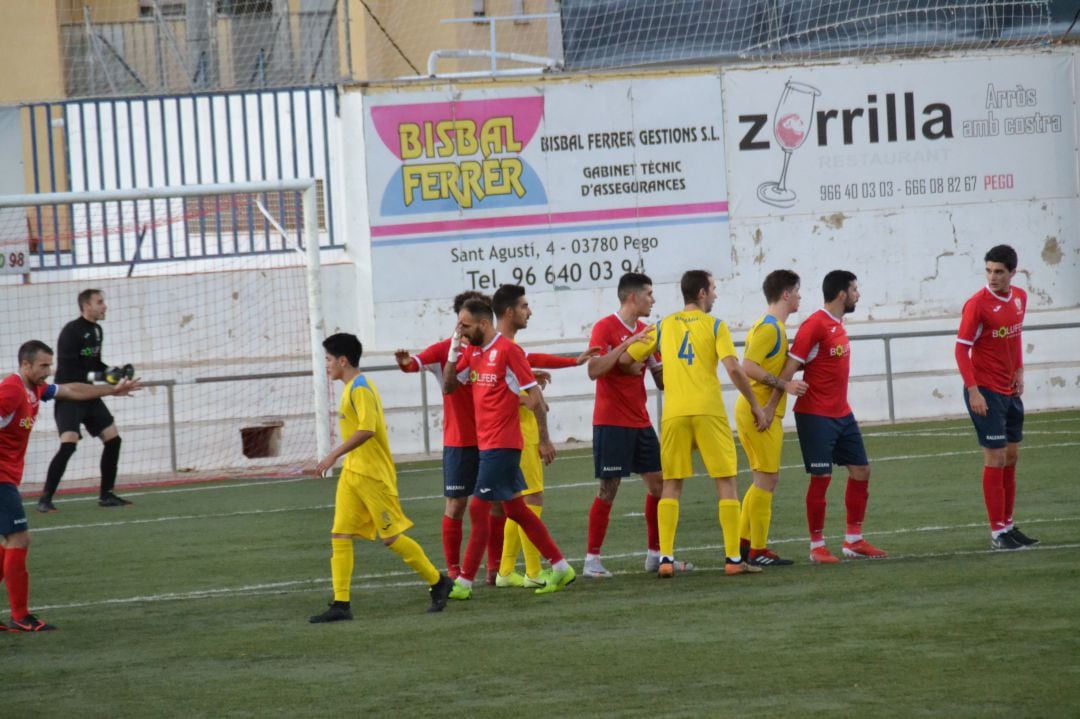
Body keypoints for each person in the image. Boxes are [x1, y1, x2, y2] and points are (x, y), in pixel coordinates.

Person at [624, 270, 769, 577]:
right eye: (713, 289)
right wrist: (756, 405)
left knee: (672, 486)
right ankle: (732, 559)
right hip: (708, 412)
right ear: (702, 293)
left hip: (675, 413)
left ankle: (665, 559)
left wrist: (636, 343)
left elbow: (627, 360)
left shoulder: (662, 326)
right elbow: (733, 368)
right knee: (726, 483)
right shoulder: (716, 326)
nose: (715, 294)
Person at [308, 333, 454, 623]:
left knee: (391, 538)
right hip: (354, 473)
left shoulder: (361, 387)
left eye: (327, 359)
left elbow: (367, 430)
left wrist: (332, 455)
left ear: (342, 360)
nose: (325, 365)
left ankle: (438, 582)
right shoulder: (350, 387)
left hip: (373, 475)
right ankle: (341, 604)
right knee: (340, 534)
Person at [1, 340, 141, 632]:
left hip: (8, 476)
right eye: (43, 366)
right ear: (25, 365)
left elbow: (73, 389)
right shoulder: (12, 390)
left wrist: (112, 389)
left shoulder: (35, 389)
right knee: (19, 539)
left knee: (8, 541)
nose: (48, 372)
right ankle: (20, 615)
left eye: (50, 365)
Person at [442, 298, 575, 598]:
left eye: (465, 325)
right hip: (487, 445)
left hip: (503, 445)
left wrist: (543, 438)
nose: (460, 331)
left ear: (484, 324)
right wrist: (453, 353)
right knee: (518, 510)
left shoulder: (508, 351)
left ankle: (463, 583)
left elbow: (535, 396)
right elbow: (449, 386)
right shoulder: (473, 352)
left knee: (478, 510)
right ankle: (561, 566)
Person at [487, 284, 597, 589]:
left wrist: (574, 361)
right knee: (530, 499)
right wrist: (543, 436)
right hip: (518, 434)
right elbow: (521, 377)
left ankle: (506, 570)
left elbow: (534, 357)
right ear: (509, 312)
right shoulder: (504, 348)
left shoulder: (500, 348)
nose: (529, 311)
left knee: (515, 502)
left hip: (508, 434)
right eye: (524, 306)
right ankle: (533, 573)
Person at [583, 272, 689, 578]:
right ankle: (592, 561)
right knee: (608, 488)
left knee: (659, 484)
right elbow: (594, 370)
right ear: (632, 297)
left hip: (640, 420)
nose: (653, 300)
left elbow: (661, 379)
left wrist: (681, 362)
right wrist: (626, 346)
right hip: (611, 421)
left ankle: (655, 555)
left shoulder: (649, 332)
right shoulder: (605, 328)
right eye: (649, 294)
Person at [779, 270, 888, 564]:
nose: (857, 295)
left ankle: (853, 540)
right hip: (815, 416)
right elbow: (789, 371)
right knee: (821, 478)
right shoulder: (814, 325)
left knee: (861, 470)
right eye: (854, 290)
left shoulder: (838, 325)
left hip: (842, 414)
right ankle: (817, 546)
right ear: (842, 294)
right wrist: (769, 407)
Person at [394, 290, 488, 579]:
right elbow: (413, 365)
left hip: (490, 438)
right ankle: (454, 568)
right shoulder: (443, 350)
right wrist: (404, 361)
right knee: (457, 504)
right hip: (459, 441)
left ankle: (495, 569)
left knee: (496, 505)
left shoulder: (492, 348)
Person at [955, 245, 1038, 550]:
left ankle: (1009, 524)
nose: (993, 277)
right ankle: (997, 533)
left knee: (1012, 457)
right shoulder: (977, 304)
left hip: (1009, 388)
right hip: (985, 389)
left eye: (999, 271)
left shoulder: (1019, 298)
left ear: (1012, 272)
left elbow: (1015, 337)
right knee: (996, 456)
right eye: (989, 270)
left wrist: (1019, 370)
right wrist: (973, 390)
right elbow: (961, 349)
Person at [734, 270, 809, 567]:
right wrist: (785, 386)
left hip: (759, 409)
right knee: (768, 479)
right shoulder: (769, 328)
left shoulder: (771, 327)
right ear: (786, 295)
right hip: (759, 411)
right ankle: (758, 550)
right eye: (798, 291)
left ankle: (743, 545)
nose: (800, 297)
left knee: (762, 480)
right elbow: (747, 367)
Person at [39, 289, 133, 511]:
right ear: (86, 306)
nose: (104, 306)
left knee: (113, 439)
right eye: (100, 302)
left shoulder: (97, 330)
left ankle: (106, 495)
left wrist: (114, 371)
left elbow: (94, 364)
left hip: (89, 394)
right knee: (69, 444)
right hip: (70, 394)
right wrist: (104, 379)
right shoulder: (71, 332)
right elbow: (72, 371)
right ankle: (45, 499)